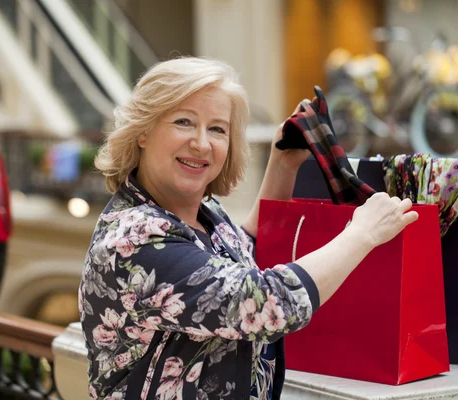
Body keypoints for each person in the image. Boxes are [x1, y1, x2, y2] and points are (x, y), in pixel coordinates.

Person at [78, 57, 418, 400]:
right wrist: (362, 234)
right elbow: (265, 301)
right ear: (143, 132)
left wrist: (282, 165)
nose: (201, 143)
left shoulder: (203, 213)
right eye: (184, 122)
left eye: (217, 129)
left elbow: (238, 259)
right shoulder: (134, 240)